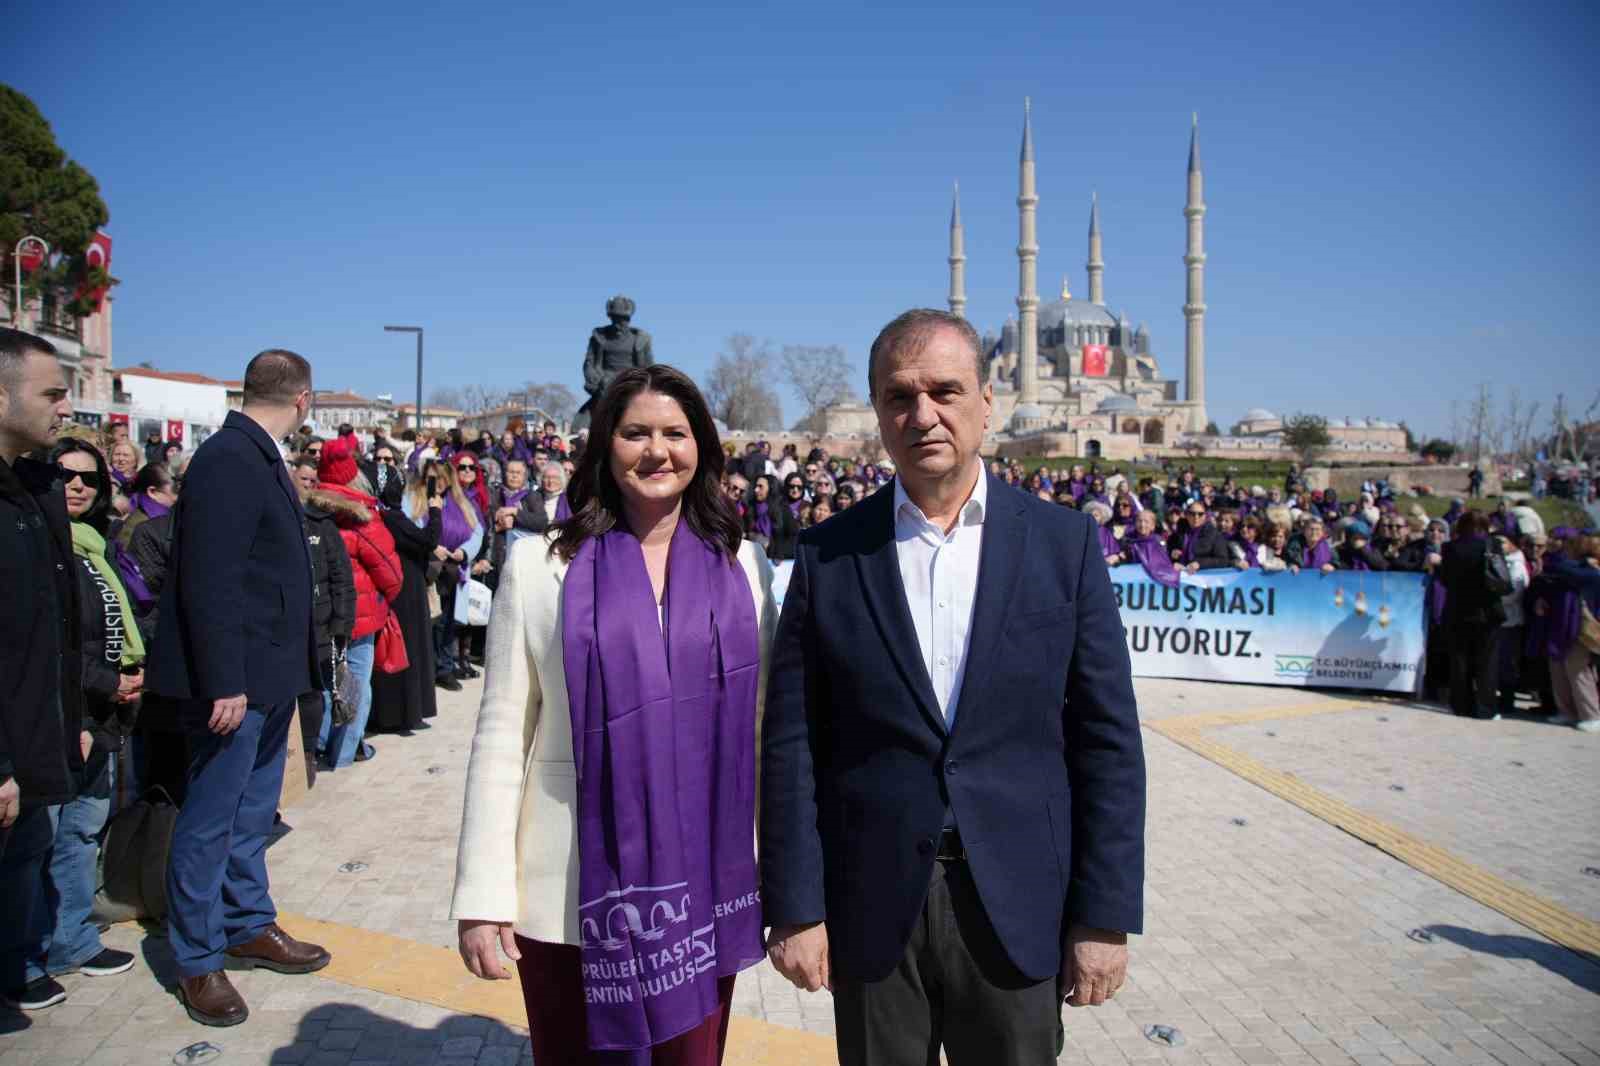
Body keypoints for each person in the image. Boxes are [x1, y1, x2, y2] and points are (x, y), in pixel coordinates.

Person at [760, 310, 1145, 1065]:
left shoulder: (1061, 546)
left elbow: (1108, 742)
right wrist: (796, 907)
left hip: (1018, 906)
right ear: (877, 411)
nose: (923, 414)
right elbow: (792, 744)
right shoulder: (830, 555)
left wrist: (1104, 915)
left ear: (987, 402)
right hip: (872, 910)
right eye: (900, 396)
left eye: (945, 391)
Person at [452, 365, 776, 1065]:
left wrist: (785, 881)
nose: (657, 451)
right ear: (605, 445)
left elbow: (763, 735)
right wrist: (482, 893)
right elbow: (502, 734)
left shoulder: (746, 570)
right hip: (569, 894)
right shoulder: (539, 567)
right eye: (636, 433)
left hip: (705, 889)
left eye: (675, 433)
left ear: (702, 447)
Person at [146, 350, 331, 1027]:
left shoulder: (257, 453)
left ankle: (247, 922)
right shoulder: (229, 457)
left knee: (253, 814)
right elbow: (210, 578)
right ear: (304, 399)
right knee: (211, 821)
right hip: (236, 681)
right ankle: (197, 957)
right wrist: (223, 679)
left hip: (270, 674)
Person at [26, 439, 143, 988]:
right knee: (37, 845)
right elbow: (52, 643)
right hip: (62, 716)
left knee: (80, 834)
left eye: (89, 479)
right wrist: (105, 683)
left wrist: (129, 675)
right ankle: (26, 959)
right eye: (65, 475)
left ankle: (71, 941)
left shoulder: (96, 545)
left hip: (102, 716)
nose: (77, 486)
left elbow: (111, 625)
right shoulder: (41, 545)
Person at [0, 329, 87, 1012]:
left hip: (38, 736)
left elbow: (52, 628)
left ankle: (18, 967)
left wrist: (71, 718)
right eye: (52, 393)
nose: (66, 407)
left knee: (29, 857)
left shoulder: (34, 490)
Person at [310, 444, 404, 768]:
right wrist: (383, 600)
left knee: (324, 683)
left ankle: (318, 748)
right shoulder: (362, 517)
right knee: (356, 684)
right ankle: (344, 754)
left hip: (319, 613)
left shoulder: (309, 512)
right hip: (359, 616)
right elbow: (391, 573)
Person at [292, 458, 356, 785]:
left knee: (312, 693)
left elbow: (341, 578)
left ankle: (308, 752)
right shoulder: (277, 517)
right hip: (286, 625)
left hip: (319, 625)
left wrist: (341, 625)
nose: (307, 485)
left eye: (312, 480)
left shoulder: (322, 525)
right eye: (302, 478)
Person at [1435, 510, 1502, 721]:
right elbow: (1500, 578)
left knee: (1459, 660)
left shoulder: (1449, 548)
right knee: (1486, 662)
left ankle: (1461, 704)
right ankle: (1485, 707)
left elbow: (1444, 579)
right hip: (1486, 610)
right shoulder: (1491, 545)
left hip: (1457, 610)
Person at [1542, 535, 1600, 732]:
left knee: (1579, 671)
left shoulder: (1588, 570)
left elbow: (1561, 569)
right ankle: (1567, 712)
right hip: (1560, 624)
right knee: (1559, 670)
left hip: (1580, 627)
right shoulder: (1570, 567)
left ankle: (1591, 715)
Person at [747, 473, 799, 562]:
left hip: (776, 561)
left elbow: (794, 538)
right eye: (756, 486)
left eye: (760, 487)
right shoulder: (751, 508)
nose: (756, 490)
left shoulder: (782, 509)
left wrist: (776, 550)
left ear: (770, 488)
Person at [1171, 499, 1233, 572]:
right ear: (1187, 515)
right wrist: (1173, 556)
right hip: (1181, 573)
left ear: (1205, 516)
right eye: (1192, 513)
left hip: (1202, 576)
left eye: (1200, 514)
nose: (1196, 517)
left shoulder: (1214, 534)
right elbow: (1168, 552)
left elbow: (1223, 560)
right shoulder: (1179, 532)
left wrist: (1199, 563)